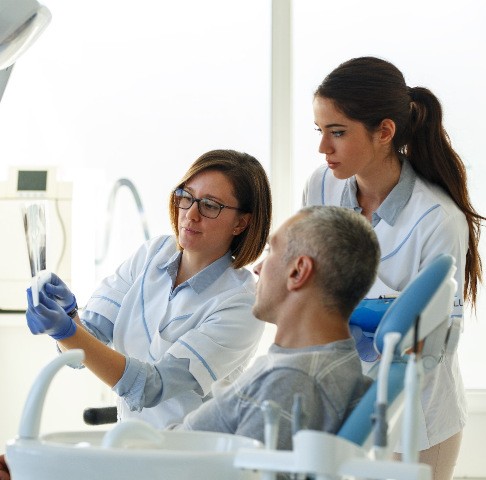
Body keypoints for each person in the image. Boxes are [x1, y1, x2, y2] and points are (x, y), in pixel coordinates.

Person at [303, 56, 485, 479]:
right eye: (320, 132)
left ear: (384, 132)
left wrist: (360, 321)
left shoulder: (436, 219)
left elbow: (437, 345)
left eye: (338, 133)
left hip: (416, 425)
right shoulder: (322, 184)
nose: (323, 148)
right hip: (341, 408)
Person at [24, 149, 272, 429]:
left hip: (192, 459)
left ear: (241, 222)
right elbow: (81, 354)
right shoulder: (152, 254)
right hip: (132, 445)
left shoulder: (241, 303)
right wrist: (69, 316)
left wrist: (67, 331)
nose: (191, 214)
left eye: (210, 205)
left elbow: (150, 387)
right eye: (186, 196)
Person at [171, 205, 379, 450]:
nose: (257, 268)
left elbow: (246, 475)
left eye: (271, 251)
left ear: (298, 272)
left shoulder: (292, 382)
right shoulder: (326, 364)